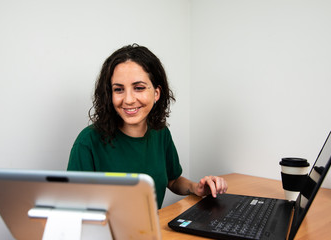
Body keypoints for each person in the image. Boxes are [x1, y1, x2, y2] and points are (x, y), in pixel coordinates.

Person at [67, 44, 227, 208]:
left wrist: (197, 188)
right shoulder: (88, 142)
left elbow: (172, 180)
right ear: (110, 94)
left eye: (139, 88)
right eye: (118, 89)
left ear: (156, 93)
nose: (128, 99)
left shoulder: (161, 132)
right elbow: (74, 207)